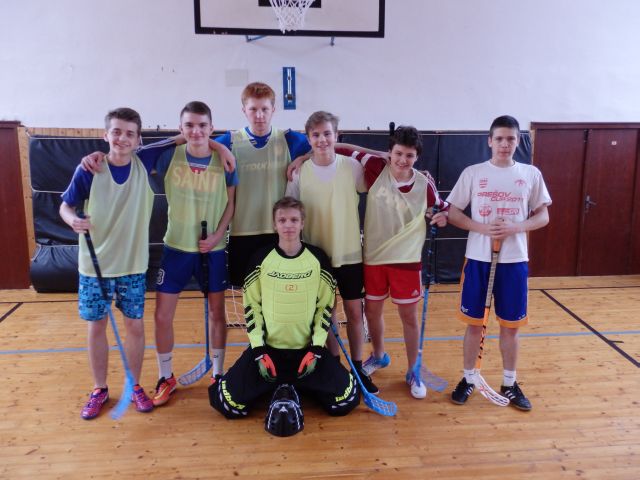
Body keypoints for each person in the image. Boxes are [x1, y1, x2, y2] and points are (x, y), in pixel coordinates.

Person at [209, 197, 360, 420]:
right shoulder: (260, 259)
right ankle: (286, 384)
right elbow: (252, 308)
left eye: (294, 220)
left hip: (306, 353)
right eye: (282, 220)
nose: (288, 225)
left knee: (346, 400)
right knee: (227, 404)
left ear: (302, 223)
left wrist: (316, 349)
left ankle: (290, 384)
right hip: (268, 353)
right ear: (275, 224)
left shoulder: (317, 259)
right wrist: (258, 351)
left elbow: (325, 309)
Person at [446, 115, 551, 411]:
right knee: (474, 324)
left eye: (511, 139)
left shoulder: (530, 174)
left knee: (511, 327)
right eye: (500, 139)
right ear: (490, 141)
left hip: (514, 261)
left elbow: (543, 216)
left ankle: (509, 382)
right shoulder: (473, 173)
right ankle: (469, 378)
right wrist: (482, 228)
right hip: (478, 259)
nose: (505, 144)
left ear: (518, 142)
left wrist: (516, 227)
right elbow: (453, 213)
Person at [338, 126, 449, 399]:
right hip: (374, 256)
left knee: (408, 317)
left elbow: (442, 208)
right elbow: (341, 148)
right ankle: (379, 355)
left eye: (409, 155)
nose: (402, 160)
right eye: (398, 153)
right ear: (390, 151)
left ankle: (413, 370)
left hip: (407, 259)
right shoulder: (376, 167)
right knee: (372, 312)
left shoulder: (424, 184)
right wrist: (302, 158)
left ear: (417, 157)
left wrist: (441, 216)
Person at [60, 107, 155, 419]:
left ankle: (135, 385)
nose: (122, 138)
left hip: (133, 265)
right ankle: (99, 388)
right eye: (116, 132)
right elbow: (65, 207)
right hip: (95, 265)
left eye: (129, 133)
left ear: (138, 140)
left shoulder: (146, 161)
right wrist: (73, 220)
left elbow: (183, 137)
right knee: (97, 325)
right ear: (105, 135)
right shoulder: (90, 169)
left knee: (135, 326)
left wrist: (222, 147)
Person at [150, 101, 237, 406]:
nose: (196, 131)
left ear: (212, 127)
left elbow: (231, 205)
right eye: (189, 125)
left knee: (217, 313)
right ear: (180, 128)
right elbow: (141, 152)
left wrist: (217, 236)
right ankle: (165, 376)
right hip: (176, 247)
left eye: (202, 126)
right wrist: (199, 141)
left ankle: (218, 373)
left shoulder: (225, 160)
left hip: (212, 249)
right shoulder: (168, 156)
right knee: (162, 315)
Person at [285, 111, 377, 393]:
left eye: (327, 133)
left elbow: (384, 173)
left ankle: (358, 368)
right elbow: (289, 211)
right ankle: (335, 367)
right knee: (327, 315)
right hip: (316, 256)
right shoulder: (299, 172)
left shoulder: (353, 167)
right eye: (315, 135)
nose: (322, 139)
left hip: (350, 253)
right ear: (308, 138)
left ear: (336, 136)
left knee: (354, 312)